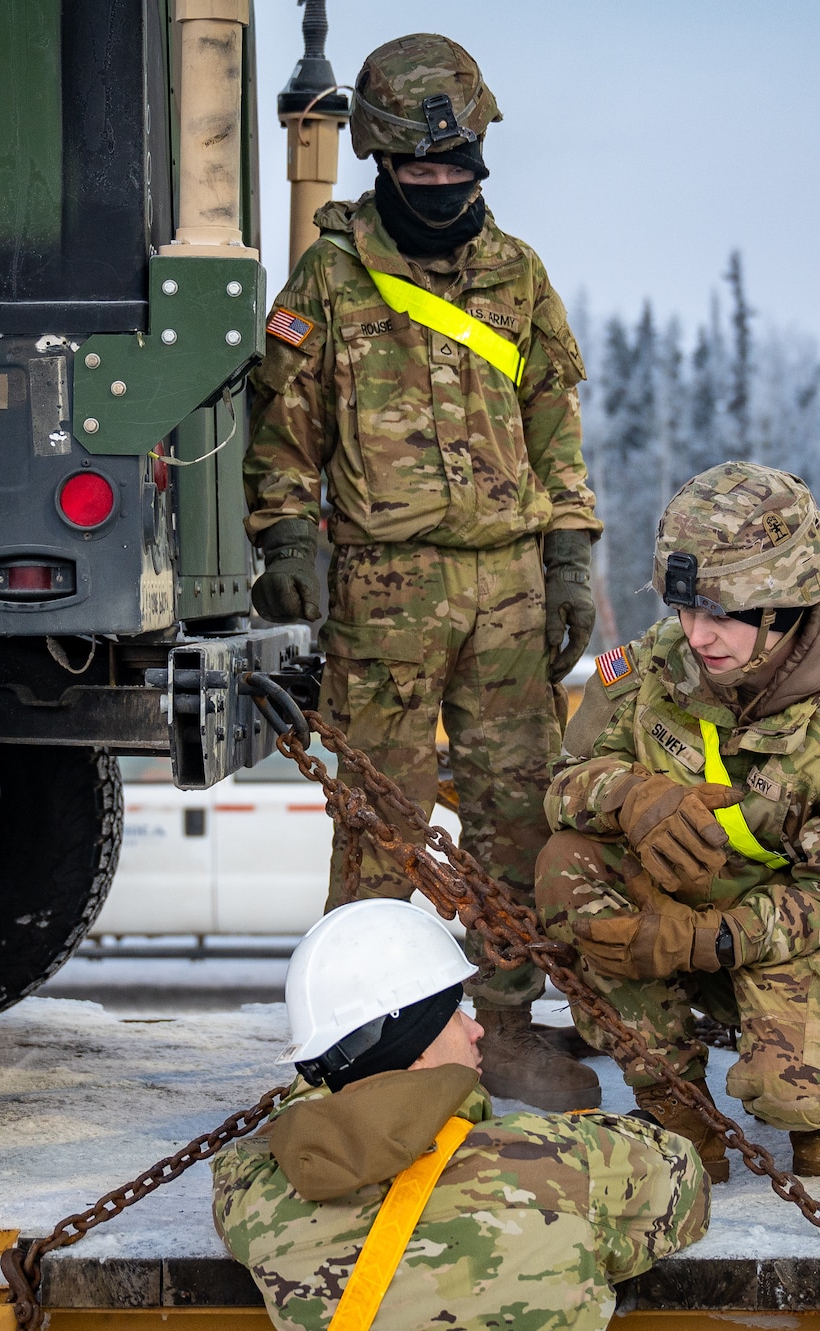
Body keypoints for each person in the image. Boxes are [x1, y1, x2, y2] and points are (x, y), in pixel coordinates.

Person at [244, 33, 602, 1109]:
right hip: (384, 592)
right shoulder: (332, 277)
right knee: (378, 826)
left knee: (515, 819)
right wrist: (284, 539)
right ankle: (374, 1048)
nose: (441, 187)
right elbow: (282, 433)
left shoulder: (516, 275)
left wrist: (571, 558)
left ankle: (500, 1032)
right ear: (378, 162)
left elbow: (555, 431)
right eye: (419, 171)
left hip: (506, 590)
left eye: (457, 169)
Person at [535, 463, 820, 1180]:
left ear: (788, 603)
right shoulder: (648, 670)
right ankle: (672, 1103)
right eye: (687, 610)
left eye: (722, 613)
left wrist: (709, 939)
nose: (697, 634)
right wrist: (630, 794)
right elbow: (563, 787)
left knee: (806, 1106)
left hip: (803, 949)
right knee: (569, 865)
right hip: (682, 927)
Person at [212, 900, 709, 1331]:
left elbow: (277, 1130)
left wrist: (339, 1073)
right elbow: (683, 1178)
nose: (475, 1029)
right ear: (417, 1047)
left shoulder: (258, 1200)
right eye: (453, 1012)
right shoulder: (553, 1160)